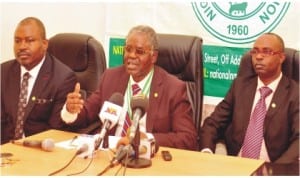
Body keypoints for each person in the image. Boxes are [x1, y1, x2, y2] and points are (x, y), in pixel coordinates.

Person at [61, 25, 198, 150]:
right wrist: (71, 110)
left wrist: (148, 139)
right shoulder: (111, 77)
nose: (131, 56)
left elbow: (187, 137)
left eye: (139, 51)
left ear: (153, 56)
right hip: (111, 152)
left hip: (147, 158)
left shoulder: (173, 88)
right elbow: (86, 113)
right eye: (128, 49)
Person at [199, 33, 299, 163]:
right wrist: (207, 152)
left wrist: (277, 171)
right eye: (255, 52)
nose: (258, 57)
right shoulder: (240, 86)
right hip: (235, 165)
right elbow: (212, 123)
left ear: (281, 58)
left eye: (267, 52)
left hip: (273, 168)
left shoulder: (295, 93)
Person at [1, 17, 77, 144]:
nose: (22, 47)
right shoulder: (3, 72)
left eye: (29, 41)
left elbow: (56, 131)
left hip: (39, 151)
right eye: (17, 41)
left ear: (45, 44)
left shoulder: (63, 78)